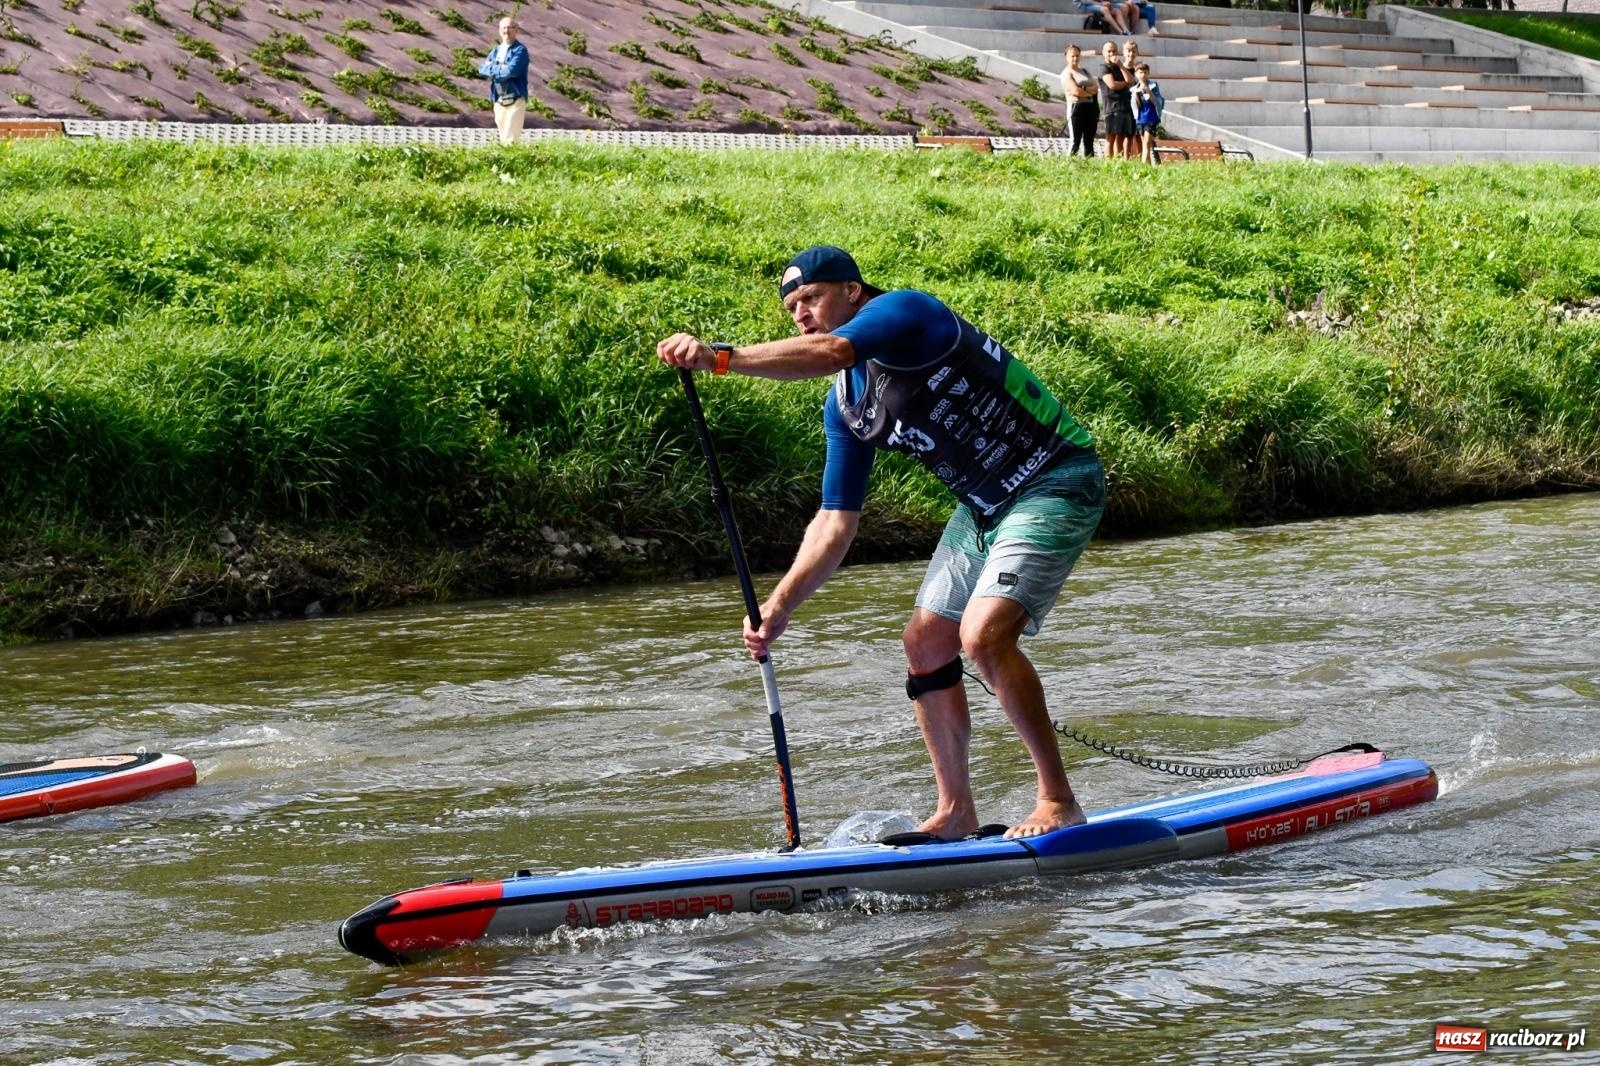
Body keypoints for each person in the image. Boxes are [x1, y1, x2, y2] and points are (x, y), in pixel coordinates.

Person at [656, 247, 1106, 840]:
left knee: (983, 635)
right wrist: (779, 606)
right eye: (792, 308)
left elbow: (833, 350)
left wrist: (719, 359)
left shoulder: (907, 313)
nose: (801, 314)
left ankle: (1057, 800)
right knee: (925, 644)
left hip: (1055, 478)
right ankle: (955, 811)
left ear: (852, 290)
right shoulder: (846, 405)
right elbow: (835, 519)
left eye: (811, 299)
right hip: (984, 505)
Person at [478, 16, 530, 146]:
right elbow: (483, 69)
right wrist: (502, 69)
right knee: (503, 138)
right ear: (499, 31)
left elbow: (512, 71)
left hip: (515, 99)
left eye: (510, 27)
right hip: (499, 99)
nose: (506, 31)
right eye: (503, 28)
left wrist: (495, 71)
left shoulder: (520, 50)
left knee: (510, 139)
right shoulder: (496, 50)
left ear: (516, 30)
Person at [1060, 44, 1100, 158]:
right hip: (1076, 108)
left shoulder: (1084, 71)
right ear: (1066, 57)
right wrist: (1087, 92)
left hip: (1090, 108)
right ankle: (1068, 164)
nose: (1075, 58)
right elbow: (1076, 91)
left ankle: (1089, 165)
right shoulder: (1066, 73)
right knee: (1075, 141)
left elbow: (1095, 87)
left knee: (1089, 141)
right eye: (1072, 56)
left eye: (1077, 56)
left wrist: (1084, 89)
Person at [1099, 41, 1134, 159]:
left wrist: (1121, 66)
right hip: (1112, 108)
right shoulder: (1104, 68)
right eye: (1109, 51)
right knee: (1111, 138)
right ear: (1103, 53)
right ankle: (1109, 162)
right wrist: (1125, 83)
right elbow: (1112, 85)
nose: (1112, 53)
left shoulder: (1119, 67)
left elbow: (1131, 81)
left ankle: (1119, 162)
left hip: (1125, 106)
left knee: (1122, 137)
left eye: (1114, 51)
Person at [1131, 61, 1165, 164]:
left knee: (1146, 143)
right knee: (1144, 144)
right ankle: (1148, 166)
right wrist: (1135, 95)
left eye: (1145, 72)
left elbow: (1157, 102)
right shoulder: (1134, 89)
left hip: (1151, 117)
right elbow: (1136, 106)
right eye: (1140, 72)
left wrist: (1148, 91)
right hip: (1141, 118)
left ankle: (1143, 167)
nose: (1143, 75)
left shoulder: (1153, 85)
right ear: (1136, 74)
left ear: (1148, 73)